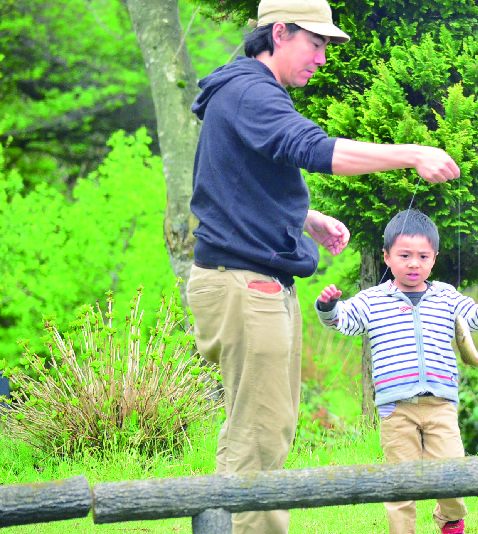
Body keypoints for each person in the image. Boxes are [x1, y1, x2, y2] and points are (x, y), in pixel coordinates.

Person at [184, 0, 461, 531]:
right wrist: (411, 153)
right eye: (316, 44)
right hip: (243, 285)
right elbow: (313, 149)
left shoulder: (245, 90)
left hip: (257, 282)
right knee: (258, 437)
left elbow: (229, 179)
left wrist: (303, 216)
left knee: (266, 429)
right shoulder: (251, 91)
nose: (323, 59)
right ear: (280, 33)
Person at [315, 209, 478, 534]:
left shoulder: (446, 297)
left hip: (440, 405)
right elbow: (345, 322)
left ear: (434, 258)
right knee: (401, 485)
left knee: (453, 474)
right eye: (404, 255)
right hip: (396, 410)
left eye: (422, 256)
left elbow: (477, 318)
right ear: (387, 257)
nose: (414, 263)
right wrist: (329, 306)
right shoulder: (372, 300)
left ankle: (450, 520)